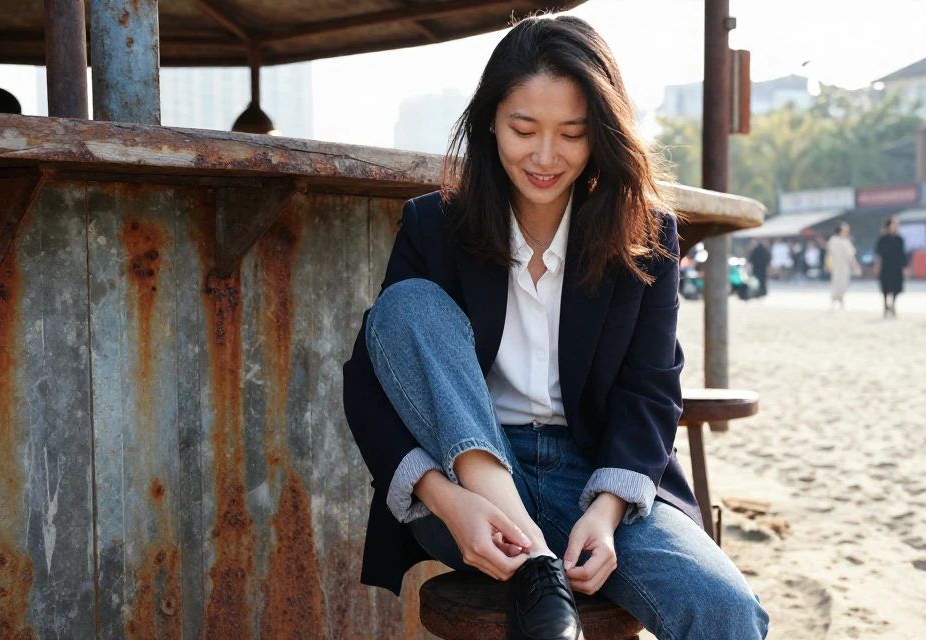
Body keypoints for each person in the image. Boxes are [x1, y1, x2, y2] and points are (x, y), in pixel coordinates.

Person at [341, 15, 768, 640]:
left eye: (572, 133)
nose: (545, 157)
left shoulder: (645, 236)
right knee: (406, 308)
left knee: (728, 611)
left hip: (596, 477)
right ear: (491, 122)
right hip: (470, 486)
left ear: (602, 134)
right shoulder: (434, 226)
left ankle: (545, 563)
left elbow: (651, 388)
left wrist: (608, 507)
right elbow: (369, 387)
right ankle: (539, 565)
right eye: (523, 129)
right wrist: (448, 501)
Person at [875, 216, 908, 318]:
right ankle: (885, 306)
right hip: (885, 266)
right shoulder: (882, 239)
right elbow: (878, 254)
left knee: (896, 287)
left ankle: (893, 305)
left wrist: (905, 267)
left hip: (897, 267)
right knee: (885, 287)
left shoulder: (900, 239)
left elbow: (903, 254)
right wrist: (877, 266)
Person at [825, 222, 860, 308]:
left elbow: (850, 256)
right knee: (836, 282)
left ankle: (840, 298)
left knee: (844, 282)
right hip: (836, 265)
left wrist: (855, 266)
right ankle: (835, 298)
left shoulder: (846, 241)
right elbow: (830, 253)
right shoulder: (834, 240)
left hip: (845, 266)